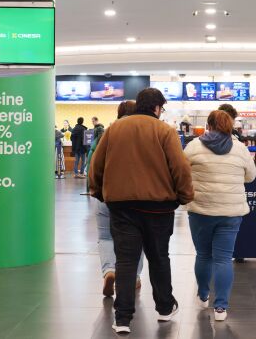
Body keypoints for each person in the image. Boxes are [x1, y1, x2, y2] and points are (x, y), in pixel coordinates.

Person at [89, 88, 193, 334]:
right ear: (157, 108)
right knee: (159, 258)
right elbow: (180, 167)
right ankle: (165, 308)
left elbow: (97, 165)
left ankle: (122, 318)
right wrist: (184, 196)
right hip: (159, 209)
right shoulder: (165, 131)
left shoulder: (115, 128)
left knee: (125, 261)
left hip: (122, 208)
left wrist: (100, 192)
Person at [184, 110, 256, 321]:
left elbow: (182, 172)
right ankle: (221, 308)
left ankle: (203, 294)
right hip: (230, 211)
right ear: (230, 126)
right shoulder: (240, 148)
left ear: (208, 125)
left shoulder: (194, 146)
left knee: (203, 255)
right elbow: (250, 176)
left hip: (201, 210)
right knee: (224, 258)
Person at [94, 100, 144, 297]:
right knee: (138, 238)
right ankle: (134, 278)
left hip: (108, 193)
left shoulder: (108, 132)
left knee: (106, 237)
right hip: (137, 195)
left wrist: (97, 190)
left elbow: (95, 163)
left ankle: (109, 270)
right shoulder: (145, 133)